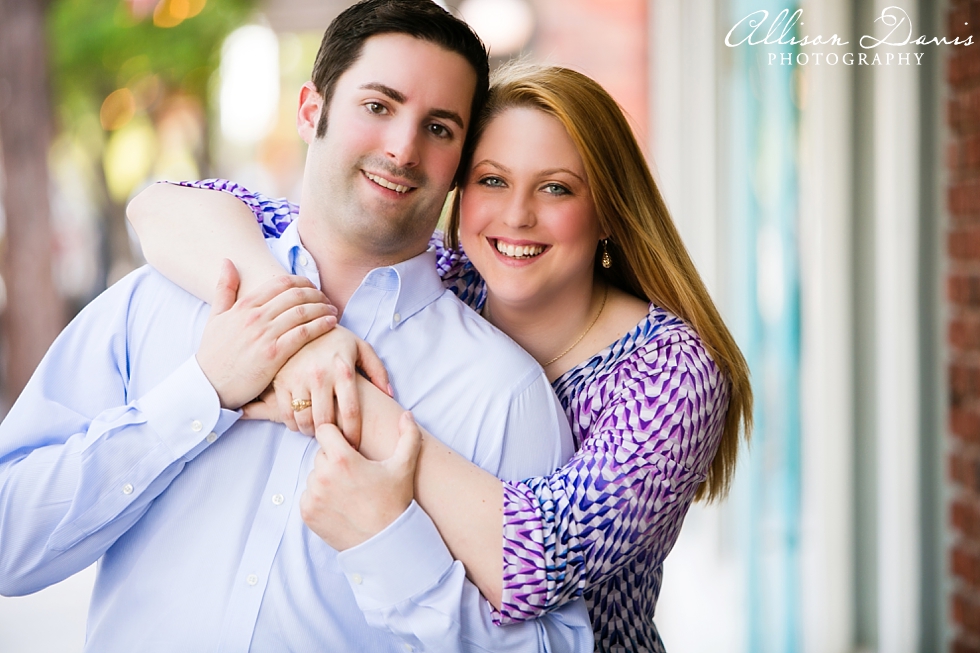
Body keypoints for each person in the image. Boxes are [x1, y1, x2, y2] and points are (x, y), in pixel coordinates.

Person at [0, 2, 595, 651]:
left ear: (460, 159)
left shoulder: (503, 390)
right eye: (378, 105)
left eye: (440, 127)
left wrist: (390, 544)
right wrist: (199, 394)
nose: (402, 147)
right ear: (312, 110)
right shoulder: (160, 299)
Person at [129, 62, 753, 652]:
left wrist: (346, 396)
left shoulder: (670, 370)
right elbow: (165, 203)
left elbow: (537, 561)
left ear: (610, 212)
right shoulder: (448, 281)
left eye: (556, 189)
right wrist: (298, 329)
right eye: (492, 180)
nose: (516, 216)